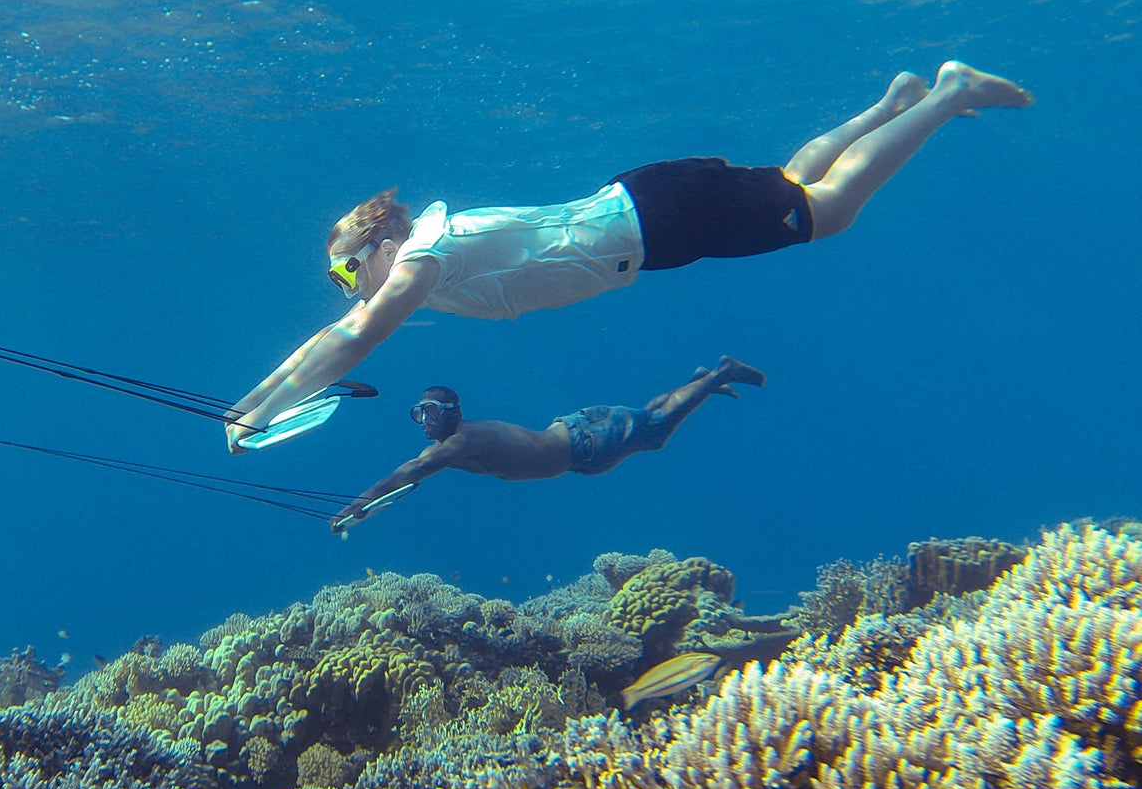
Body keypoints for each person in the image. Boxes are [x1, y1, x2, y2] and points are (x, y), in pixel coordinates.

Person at [227, 61, 1031, 451]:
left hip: (659, 219)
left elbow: (355, 338)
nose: (345, 288)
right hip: (651, 214)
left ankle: (946, 95)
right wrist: (250, 406)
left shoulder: (422, 262)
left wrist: (265, 410)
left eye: (344, 271)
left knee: (831, 212)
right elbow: (337, 335)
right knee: (790, 183)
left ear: (379, 246)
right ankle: (892, 103)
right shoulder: (426, 260)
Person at [328, 356, 766, 531]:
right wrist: (365, 509)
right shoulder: (445, 447)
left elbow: (410, 472)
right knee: (648, 425)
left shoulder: (460, 442)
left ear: (453, 412)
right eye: (418, 413)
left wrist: (352, 506)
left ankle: (720, 373)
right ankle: (698, 384)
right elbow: (409, 477)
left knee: (657, 431)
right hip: (579, 446)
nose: (425, 421)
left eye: (431, 411)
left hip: (585, 441)